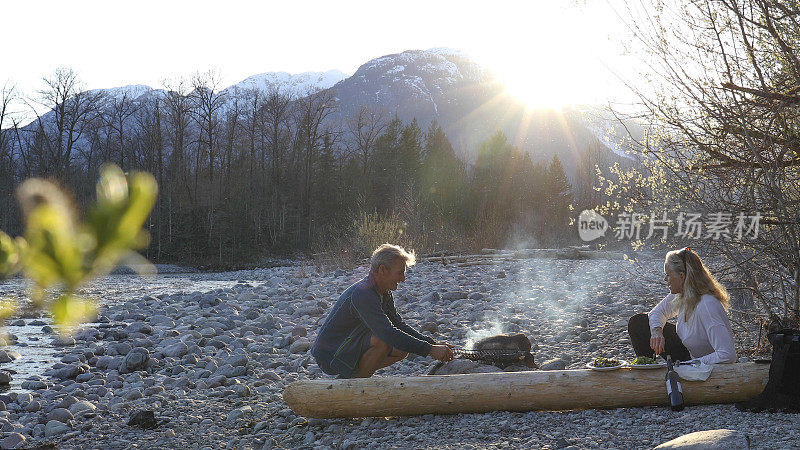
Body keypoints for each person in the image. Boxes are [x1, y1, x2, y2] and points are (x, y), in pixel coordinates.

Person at [312, 244, 454, 378]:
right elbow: (387, 333)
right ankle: (355, 387)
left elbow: (398, 325)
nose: (403, 279)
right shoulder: (363, 293)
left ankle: (351, 378)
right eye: (399, 273)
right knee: (383, 341)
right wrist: (430, 350)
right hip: (330, 356)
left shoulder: (383, 291)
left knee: (403, 349)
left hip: (348, 345)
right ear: (382, 270)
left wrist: (433, 343)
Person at [628, 247, 737, 364]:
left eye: (668, 275)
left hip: (708, 367)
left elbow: (727, 355)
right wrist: (657, 332)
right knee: (639, 323)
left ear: (682, 276)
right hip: (689, 355)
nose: (665, 279)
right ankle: (646, 371)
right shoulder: (682, 294)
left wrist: (686, 365)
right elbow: (657, 312)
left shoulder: (707, 305)